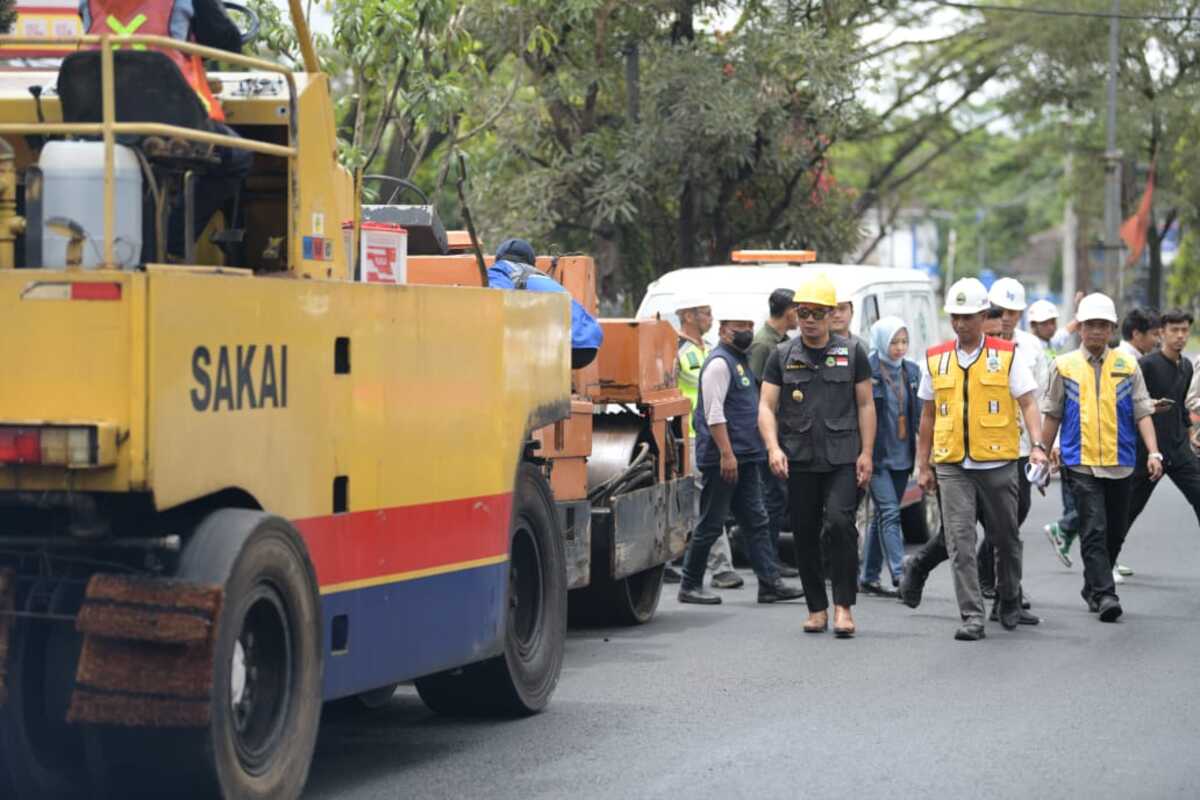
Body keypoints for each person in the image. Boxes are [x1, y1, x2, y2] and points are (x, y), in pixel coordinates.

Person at [914, 277, 1047, 641]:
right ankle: (971, 615)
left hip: (999, 463)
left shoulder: (1007, 355)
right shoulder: (936, 358)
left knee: (1006, 539)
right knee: (960, 542)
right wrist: (922, 464)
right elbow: (928, 415)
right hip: (952, 465)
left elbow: (1029, 402)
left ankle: (1008, 599)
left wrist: (1037, 445)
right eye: (955, 316)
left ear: (983, 315)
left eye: (968, 317)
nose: (960, 324)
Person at [81, 0, 253, 255]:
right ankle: (172, 242)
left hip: (104, 118)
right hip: (169, 120)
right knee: (236, 156)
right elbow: (226, 41)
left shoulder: (89, 3)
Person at [759, 273, 875, 638]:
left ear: (831, 315)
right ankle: (817, 608)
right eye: (803, 312)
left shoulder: (852, 352)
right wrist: (773, 447)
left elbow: (866, 404)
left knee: (840, 525)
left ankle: (844, 607)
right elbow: (765, 405)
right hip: (799, 457)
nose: (809, 319)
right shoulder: (781, 355)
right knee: (805, 533)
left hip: (843, 457)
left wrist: (867, 453)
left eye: (817, 313)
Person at [1038, 293, 1163, 621]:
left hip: (1122, 462)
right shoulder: (1063, 366)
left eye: (1102, 325)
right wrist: (1041, 451)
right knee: (1093, 528)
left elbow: (1142, 411)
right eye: (1089, 325)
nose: (1095, 331)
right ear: (1080, 328)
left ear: (1111, 329)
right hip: (1080, 463)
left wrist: (1154, 452)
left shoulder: (1127, 365)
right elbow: (1051, 414)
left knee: (1116, 530)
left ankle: (1093, 585)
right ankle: (1106, 594)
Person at [678, 314, 804, 606]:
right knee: (711, 521)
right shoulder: (720, 364)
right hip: (725, 459)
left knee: (756, 520)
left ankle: (769, 583)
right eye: (739, 329)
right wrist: (726, 454)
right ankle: (690, 583)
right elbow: (713, 414)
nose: (746, 333)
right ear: (723, 331)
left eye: (749, 327)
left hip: (745, 456)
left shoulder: (739, 360)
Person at [976, 279, 1049, 598]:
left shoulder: (1032, 347)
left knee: (1017, 512)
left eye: (1012, 312)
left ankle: (997, 581)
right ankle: (1003, 589)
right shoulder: (972, 346)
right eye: (1001, 310)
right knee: (990, 521)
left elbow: (1044, 398)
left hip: (1022, 446)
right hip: (984, 446)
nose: (1006, 317)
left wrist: (1045, 444)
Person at [669, 294, 741, 588]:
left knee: (695, 502)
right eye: (706, 313)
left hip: (711, 435)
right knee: (705, 502)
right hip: (690, 436)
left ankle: (673, 560)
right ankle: (721, 567)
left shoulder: (710, 350)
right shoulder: (678, 351)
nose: (711, 319)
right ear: (688, 316)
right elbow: (670, 392)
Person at [1124, 308, 1200, 535]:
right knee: (1129, 509)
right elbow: (1130, 404)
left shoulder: (1186, 366)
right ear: (1162, 333)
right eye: (1174, 330)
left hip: (1179, 452)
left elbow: (1182, 407)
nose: (1180, 335)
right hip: (1148, 452)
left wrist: (1191, 434)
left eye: (1184, 330)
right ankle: (1106, 562)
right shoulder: (1146, 365)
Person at [859, 317, 919, 598]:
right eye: (894, 342)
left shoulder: (912, 372)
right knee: (891, 513)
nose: (899, 348)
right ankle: (899, 573)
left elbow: (921, 415)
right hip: (877, 455)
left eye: (904, 341)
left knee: (883, 515)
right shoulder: (866, 370)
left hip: (903, 455)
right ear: (882, 341)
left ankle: (869, 577)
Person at [748, 289, 801, 578]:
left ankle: (772, 561)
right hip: (768, 433)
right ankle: (767, 564)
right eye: (798, 310)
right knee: (771, 497)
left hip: (787, 430)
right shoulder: (763, 345)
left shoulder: (784, 342)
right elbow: (758, 395)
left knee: (779, 497)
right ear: (788, 311)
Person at [487, 239, 604, 369]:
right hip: (588, 344)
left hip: (568, 344)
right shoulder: (541, 277)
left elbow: (498, 299)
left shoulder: (501, 269)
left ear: (498, 258)